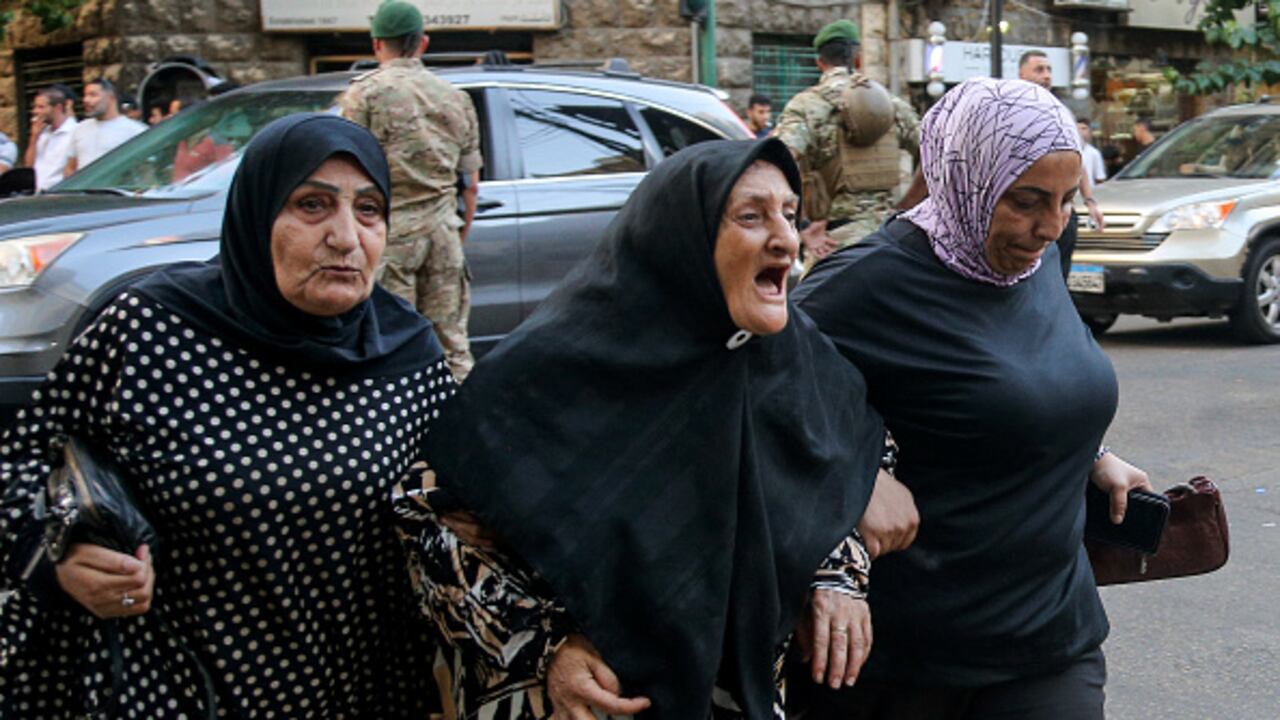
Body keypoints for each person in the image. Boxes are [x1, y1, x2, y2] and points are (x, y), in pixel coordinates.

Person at [394, 139, 888, 718]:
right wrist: (544, 645)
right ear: (682, 237)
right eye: (751, 217)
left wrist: (838, 572)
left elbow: (844, 458)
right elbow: (429, 519)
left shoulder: (784, 355)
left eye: (788, 212)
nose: (785, 238)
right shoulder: (554, 371)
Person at [0, 113, 448, 718]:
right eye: (312, 206)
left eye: (368, 210)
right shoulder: (151, 332)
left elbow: (473, 516)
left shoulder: (408, 356)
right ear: (255, 216)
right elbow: (20, 459)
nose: (346, 237)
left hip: (362, 692)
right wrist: (61, 554)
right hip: (183, 690)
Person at [788, 78, 1153, 720]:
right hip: (899, 667)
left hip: (1048, 641)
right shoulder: (862, 286)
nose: (1051, 225)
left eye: (1068, 200)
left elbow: (1026, 371)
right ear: (965, 178)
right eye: (1027, 200)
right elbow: (749, 399)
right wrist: (855, 474)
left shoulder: (1039, 254)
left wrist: (1089, 448)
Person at [340, 0, 482, 382]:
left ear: (376, 45)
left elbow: (347, 173)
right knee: (452, 345)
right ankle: (461, 430)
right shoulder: (456, 98)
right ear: (423, 43)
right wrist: (457, 230)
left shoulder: (363, 95)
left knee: (389, 343)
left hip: (389, 237)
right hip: (443, 233)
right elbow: (469, 184)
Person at [775, 20, 921, 269]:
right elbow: (939, 156)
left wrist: (802, 225)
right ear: (858, 59)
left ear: (819, 62)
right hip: (890, 240)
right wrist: (906, 208)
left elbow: (777, 160)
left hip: (834, 245)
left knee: (806, 306)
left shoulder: (807, 105)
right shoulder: (892, 104)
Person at [1016, 50, 1104, 275]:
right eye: (1039, 70)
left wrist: (1090, 201)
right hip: (1030, 210)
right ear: (1022, 74)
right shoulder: (1013, 111)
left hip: (1062, 211)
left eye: (1049, 70)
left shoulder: (1062, 112)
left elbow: (1077, 161)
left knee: (1058, 278)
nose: (1046, 75)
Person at [65, 77, 147, 177]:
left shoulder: (136, 131)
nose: (86, 100)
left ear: (110, 98)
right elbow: (70, 168)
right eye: (85, 95)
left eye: (93, 95)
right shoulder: (80, 129)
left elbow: (146, 171)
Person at [23, 85, 78, 190]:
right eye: (35, 107)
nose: (35, 111)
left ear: (57, 108)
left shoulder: (75, 131)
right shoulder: (42, 133)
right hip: (38, 194)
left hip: (59, 194)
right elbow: (29, 165)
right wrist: (34, 138)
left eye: (41, 107)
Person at [1077, 118, 1107, 185]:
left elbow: (1100, 178)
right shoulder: (1067, 152)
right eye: (1077, 128)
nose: (1080, 131)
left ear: (1089, 131)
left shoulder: (1094, 153)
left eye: (1084, 128)